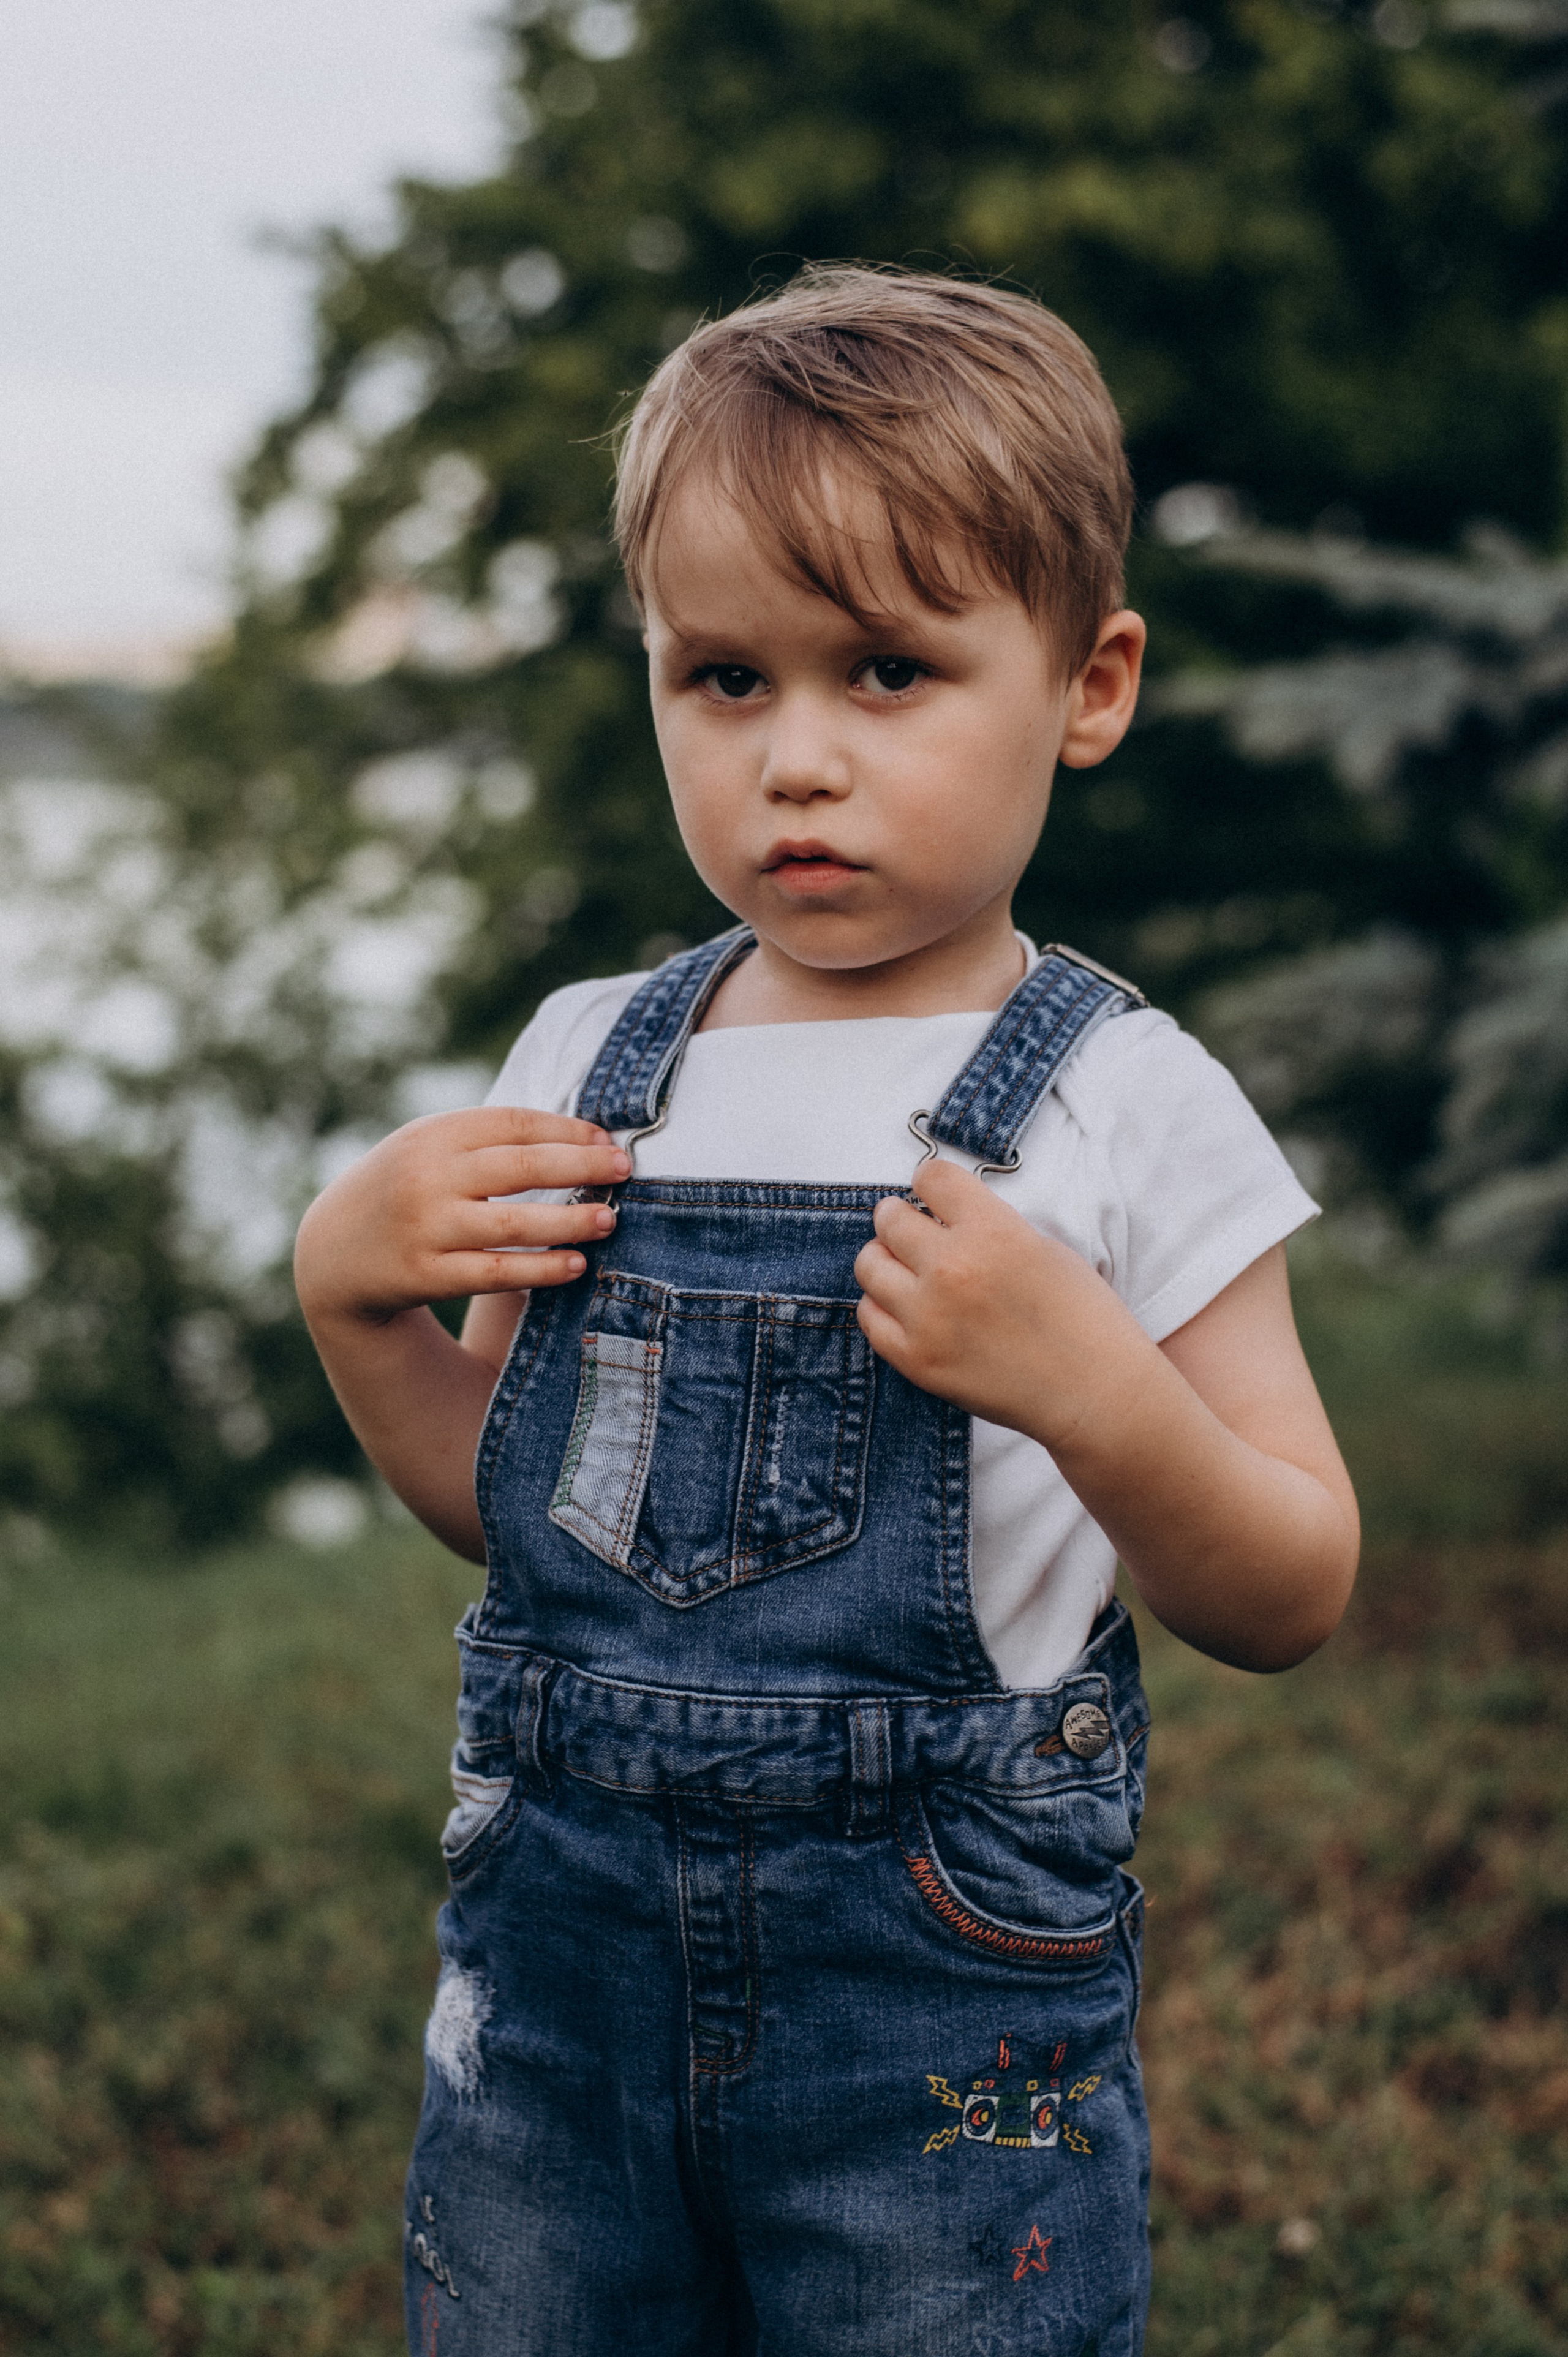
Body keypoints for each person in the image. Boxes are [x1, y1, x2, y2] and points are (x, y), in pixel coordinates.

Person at [294, 265, 1359, 2356]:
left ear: (1090, 682)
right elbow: (517, 1522)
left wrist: (1095, 1396)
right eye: (722, 678)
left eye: (887, 671)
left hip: (937, 2005)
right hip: (558, 1981)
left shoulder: (1125, 1103)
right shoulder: (590, 1052)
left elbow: (1296, 1581)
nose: (797, 762)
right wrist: (353, 1308)